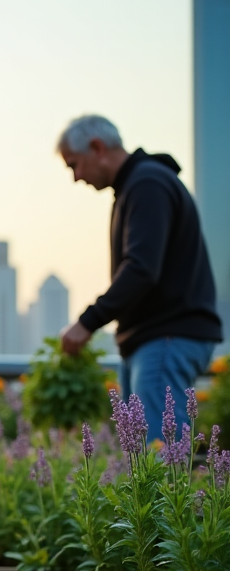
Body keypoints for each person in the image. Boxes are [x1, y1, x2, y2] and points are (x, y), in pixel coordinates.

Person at [57, 115, 222, 439]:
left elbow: (141, 268)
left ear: (97, 147)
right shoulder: (141, 184)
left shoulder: (147, 184)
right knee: (143, 459)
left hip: (166, 337)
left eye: (74, 165)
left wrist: (88, 322)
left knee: (158, 459)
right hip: (157, 339)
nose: (76, 177)